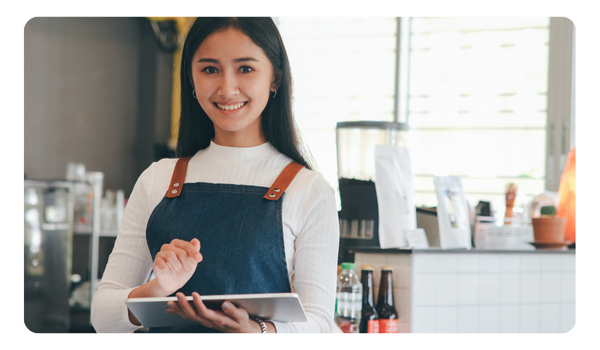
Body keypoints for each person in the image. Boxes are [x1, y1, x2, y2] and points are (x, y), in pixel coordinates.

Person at [90, 17, 339, 333]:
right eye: (210, 69)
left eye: (245, 69)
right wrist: (157, 290)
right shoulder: (158, 179)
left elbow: (319, 326)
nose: (227, 88)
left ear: (275, 78)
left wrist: (256, 332)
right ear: (191, 78)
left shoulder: (310, 190)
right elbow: (101, 316)